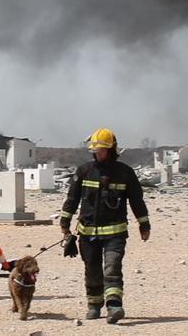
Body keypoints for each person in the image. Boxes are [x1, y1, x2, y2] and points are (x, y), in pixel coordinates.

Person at [60, 127, 150, 324]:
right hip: (87, 233)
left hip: (115, 233)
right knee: (92, 269)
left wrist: (144, 224)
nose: (97, 153)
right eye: (95, 150)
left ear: (111, 149)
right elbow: (72, 199)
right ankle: (94, 305)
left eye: (101, 150)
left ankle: (114, 306)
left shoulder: (125, 173)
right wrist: (65, 223)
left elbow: (137, 201)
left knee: (112, 268)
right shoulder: (84, 171)